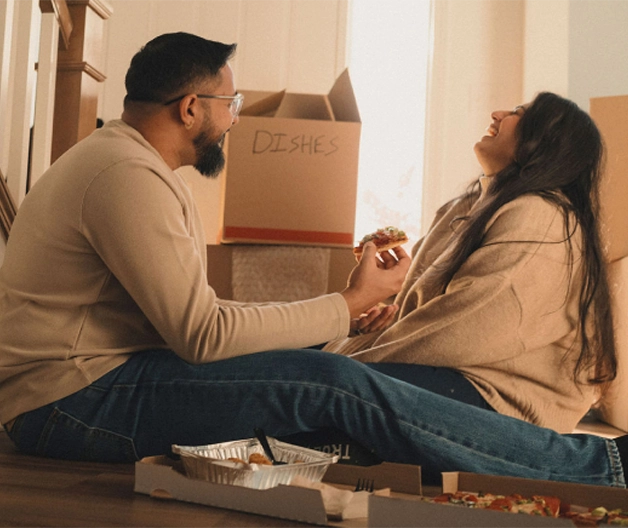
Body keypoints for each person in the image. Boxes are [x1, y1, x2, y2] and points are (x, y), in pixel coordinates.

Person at [0, 32, 627, 488]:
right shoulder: (126, 177)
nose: (236, 119)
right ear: (191, 108)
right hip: (70, 404)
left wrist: (343, 327)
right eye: (231, 104)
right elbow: (203, 333)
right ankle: (599, 467)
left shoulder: (130, 166)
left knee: (321, 374)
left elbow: (200, 321)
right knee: (329, 383)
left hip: (85, 386)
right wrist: (347, 313)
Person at [325, 92, 616, 435]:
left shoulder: (542, 215)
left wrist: (341, 357)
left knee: (308, 378)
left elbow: (464, 330)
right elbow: (422, 315)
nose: (497, 113)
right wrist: (375, 318)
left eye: (519, 113)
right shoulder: (463, 208)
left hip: (501, 403)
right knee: (300, 360)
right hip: (454, 373)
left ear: (545, 141)